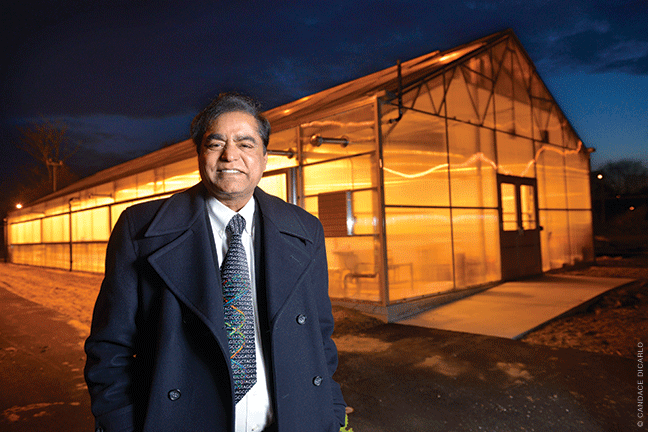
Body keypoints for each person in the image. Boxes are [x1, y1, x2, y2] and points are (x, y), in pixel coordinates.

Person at [84, 93, 347, 432]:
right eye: (216, 143)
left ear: (265, 157)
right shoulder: (140, 230)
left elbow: (320, 337)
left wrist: (332, 409)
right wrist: (120, 424)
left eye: (246, 144)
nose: (230, 155)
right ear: (199, 154)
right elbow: (110, 350)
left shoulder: (305, 230)